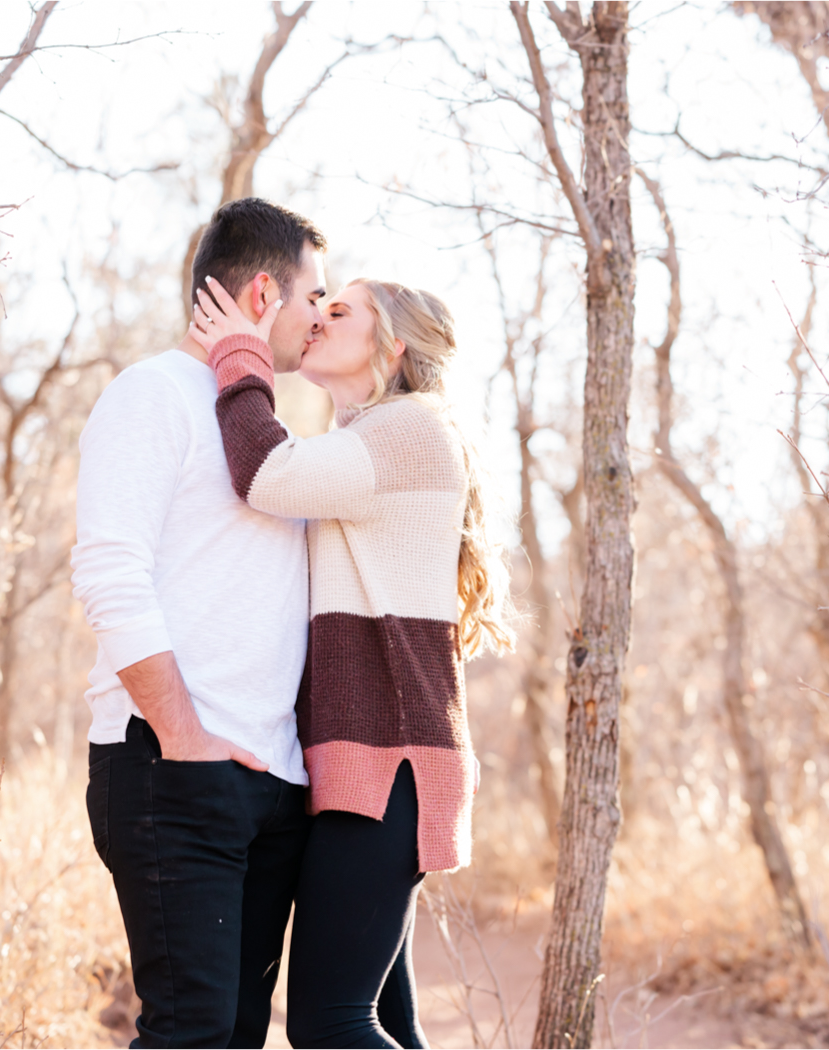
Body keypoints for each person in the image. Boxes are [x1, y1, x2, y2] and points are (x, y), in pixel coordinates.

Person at [190, 273, 515, 1049]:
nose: (319, 320)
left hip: (387, 762)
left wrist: (240, 358)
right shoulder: (376, 436)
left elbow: (265, 475)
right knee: (385, 1021)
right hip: (371, 761)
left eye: (341, 313)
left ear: (392, 344)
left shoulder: (403, 430)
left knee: (331, 1026)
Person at [70, 197, 327, 1048]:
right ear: (263, 295)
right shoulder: (152, 394)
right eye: (310, 298)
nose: (319, 318)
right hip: (173, 768)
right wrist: (182, 736)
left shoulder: (262, 424)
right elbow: (109, 572)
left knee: (240, 1035)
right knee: (191, 1034)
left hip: (271, 785)